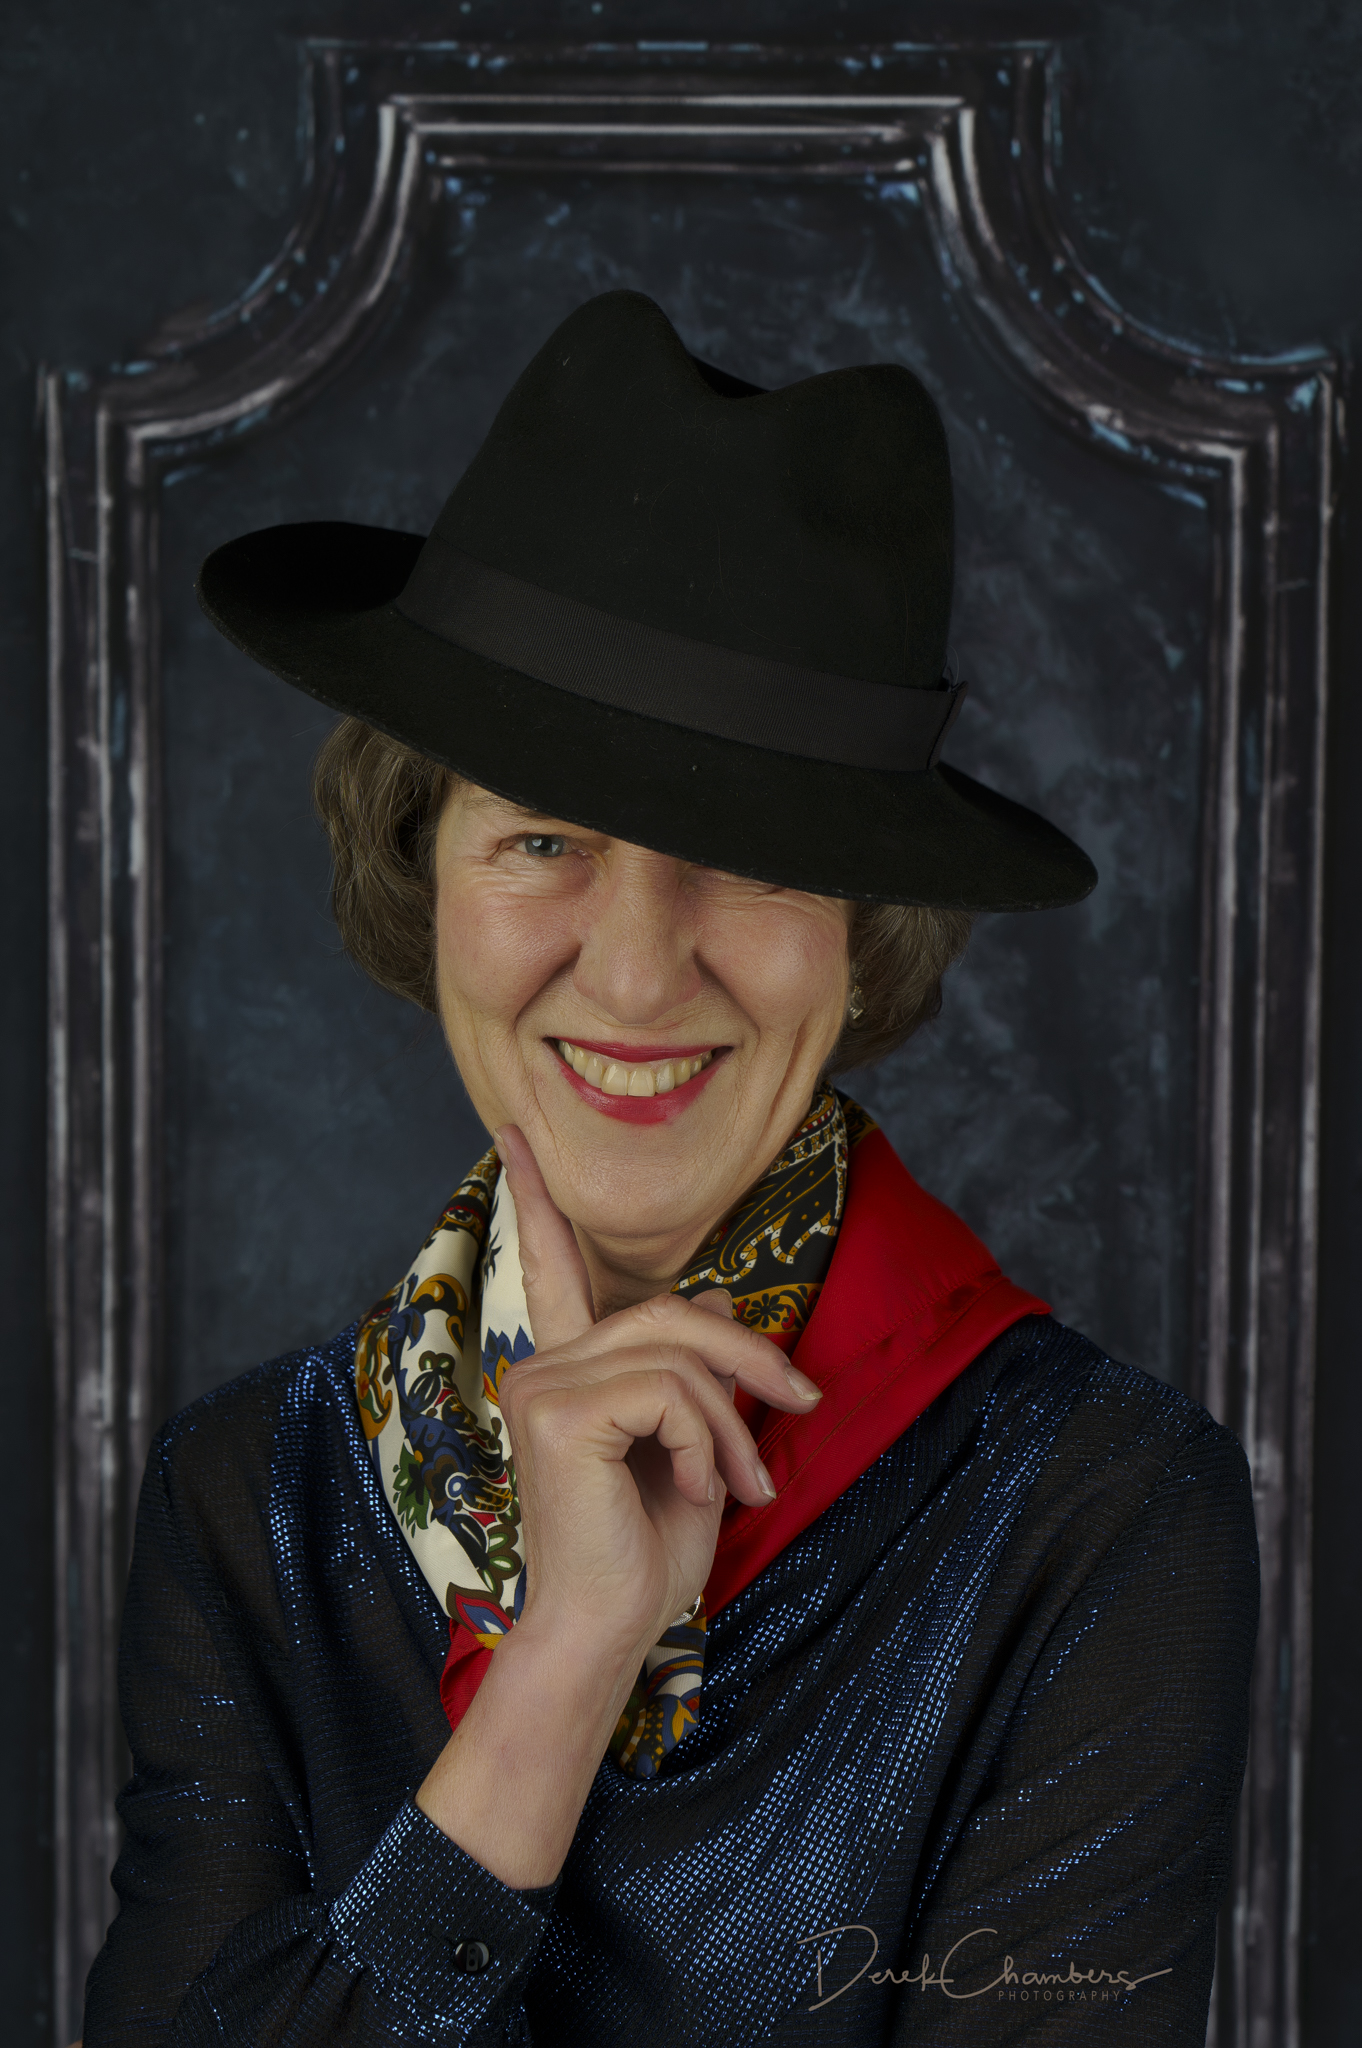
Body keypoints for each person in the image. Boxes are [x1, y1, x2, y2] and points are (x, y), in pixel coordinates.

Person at [82, 291, 1257, 2047]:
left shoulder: (1098, 1514)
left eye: (751, 852)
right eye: (543, 837)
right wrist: (558, 1673)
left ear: (861, 931)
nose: (635, 976)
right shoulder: (244, 1498)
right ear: (425, 877)